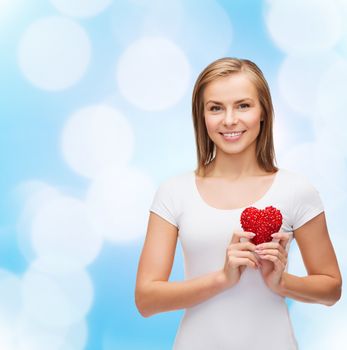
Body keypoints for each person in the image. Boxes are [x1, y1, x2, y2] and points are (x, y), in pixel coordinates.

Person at [135, 57, 342, 349]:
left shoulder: (296, 190)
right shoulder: (174, 192)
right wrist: (222, 279)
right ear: (202, 116)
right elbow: (146, 300)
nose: (229, 120)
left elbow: (331, 288)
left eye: (243, 105)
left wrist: (281, 283)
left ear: (263, 113)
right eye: (216, 108)